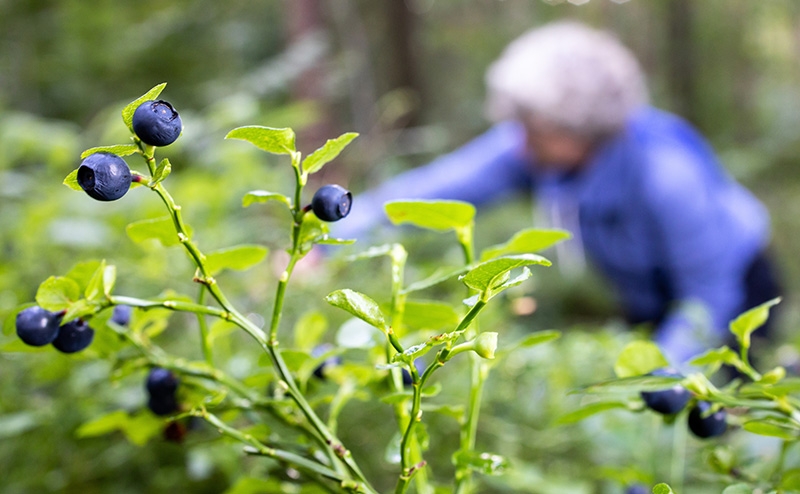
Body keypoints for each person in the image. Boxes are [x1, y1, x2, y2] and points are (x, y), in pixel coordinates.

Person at [334, 21, 780, 365]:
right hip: (648, 295)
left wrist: (661, 375)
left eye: (534, 128)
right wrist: (335, 232)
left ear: (581, 128)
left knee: (722, 401)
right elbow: (436, 189)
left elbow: (706, 300)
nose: (521, 141)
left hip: (736, 288)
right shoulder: (534, 147)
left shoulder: (665, 176)